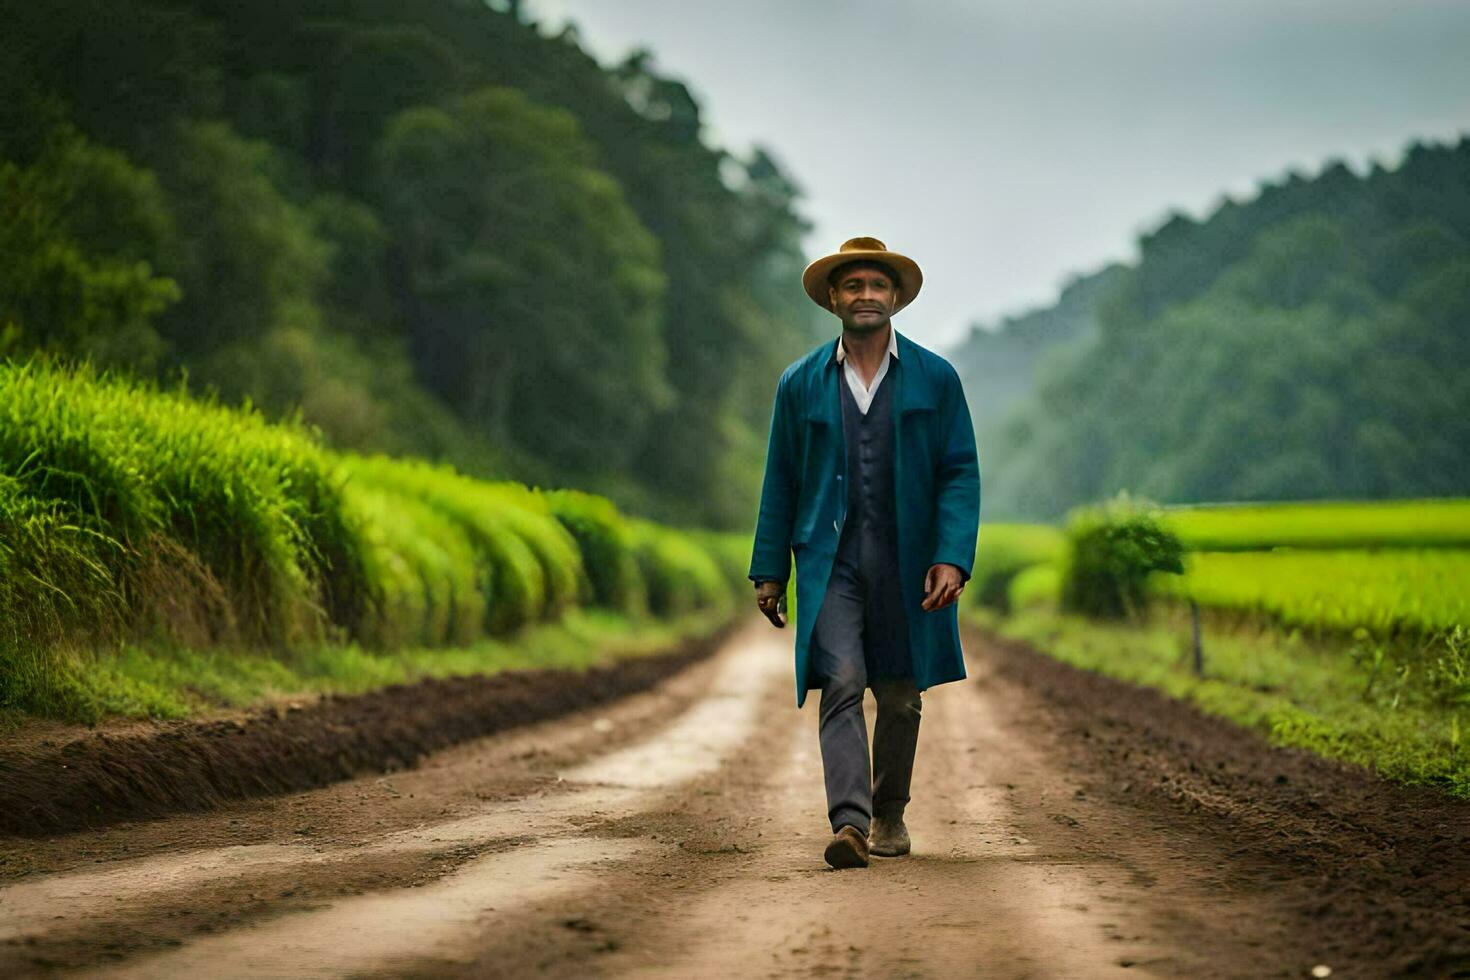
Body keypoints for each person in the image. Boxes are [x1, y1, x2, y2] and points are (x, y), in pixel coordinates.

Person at [748, 236, 981, 870]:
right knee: (844, 681)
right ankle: (848, 824)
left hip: (909, 564)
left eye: (877, 286)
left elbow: (960, 471)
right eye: (853, 286)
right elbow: (781, 481)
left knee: (901, 695)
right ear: (833, 298)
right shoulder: (801, 383)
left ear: (896, 298)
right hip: (831, 564)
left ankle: (888, 812)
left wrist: (953, 555)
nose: (866, 296)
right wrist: (770, 569)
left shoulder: (936, 378)